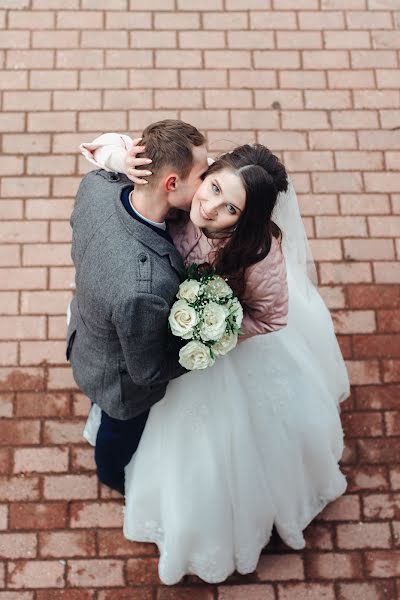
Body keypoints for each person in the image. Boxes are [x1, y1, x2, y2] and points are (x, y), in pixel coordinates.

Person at [80, 131, 350, 585]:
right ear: (206, 174)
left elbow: (271, 317)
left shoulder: (258, 255)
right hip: (161, 339)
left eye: (232, 209)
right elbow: (114, 150)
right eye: (215, 187)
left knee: (224, 448)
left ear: (248, 219)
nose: (211, 208)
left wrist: (217, 332)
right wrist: (121, 158)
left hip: (214, 358)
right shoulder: (185, 198)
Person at [67, 120, 208, 496]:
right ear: (172, 184)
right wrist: (204, 345)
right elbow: (147, 371)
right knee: (118, 434)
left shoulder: (96, 186)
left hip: (86, 333)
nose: (208, 183)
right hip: (121, 385)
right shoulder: (143, 288)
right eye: (203, 175)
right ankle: (113, 476)